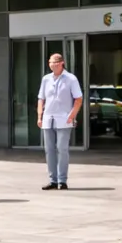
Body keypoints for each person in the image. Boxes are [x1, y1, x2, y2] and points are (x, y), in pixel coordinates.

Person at [37, 53, 82, 190]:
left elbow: (78, 99)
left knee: (62, 149)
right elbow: (41, 99)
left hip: (64, 118)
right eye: (51, 62)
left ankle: (62, 180)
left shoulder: (71, 79)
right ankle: (53, 180)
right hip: (48, 118)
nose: (53, 65)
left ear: (62, 63)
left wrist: (72, 115)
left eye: (56, 62)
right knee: (49, 150)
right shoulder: (46, 79)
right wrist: (39, 115)